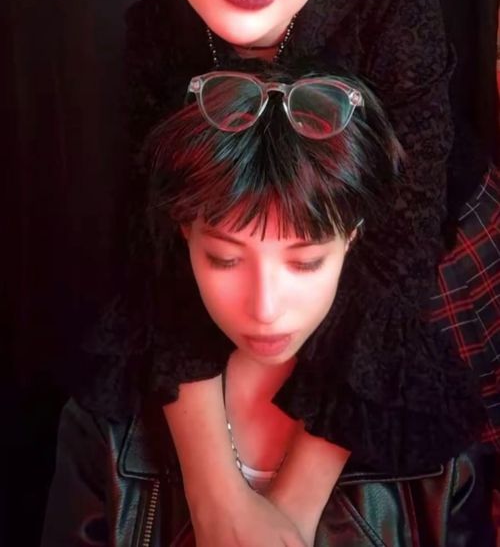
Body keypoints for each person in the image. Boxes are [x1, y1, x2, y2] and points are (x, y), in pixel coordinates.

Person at [77, 0, 498, 545]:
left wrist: (291, 516)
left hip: (425, 266)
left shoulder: (396, 14)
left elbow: (393, 268)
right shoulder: (154, 33)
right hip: (243, 272)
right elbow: (158, 250)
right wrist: (220, 502)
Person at [42, 66, 495, 546]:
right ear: (184, 233)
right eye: (225, 259)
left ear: (352, 238)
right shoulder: (105, 426)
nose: (265, 308)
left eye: (305, 262)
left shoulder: (435, 446)